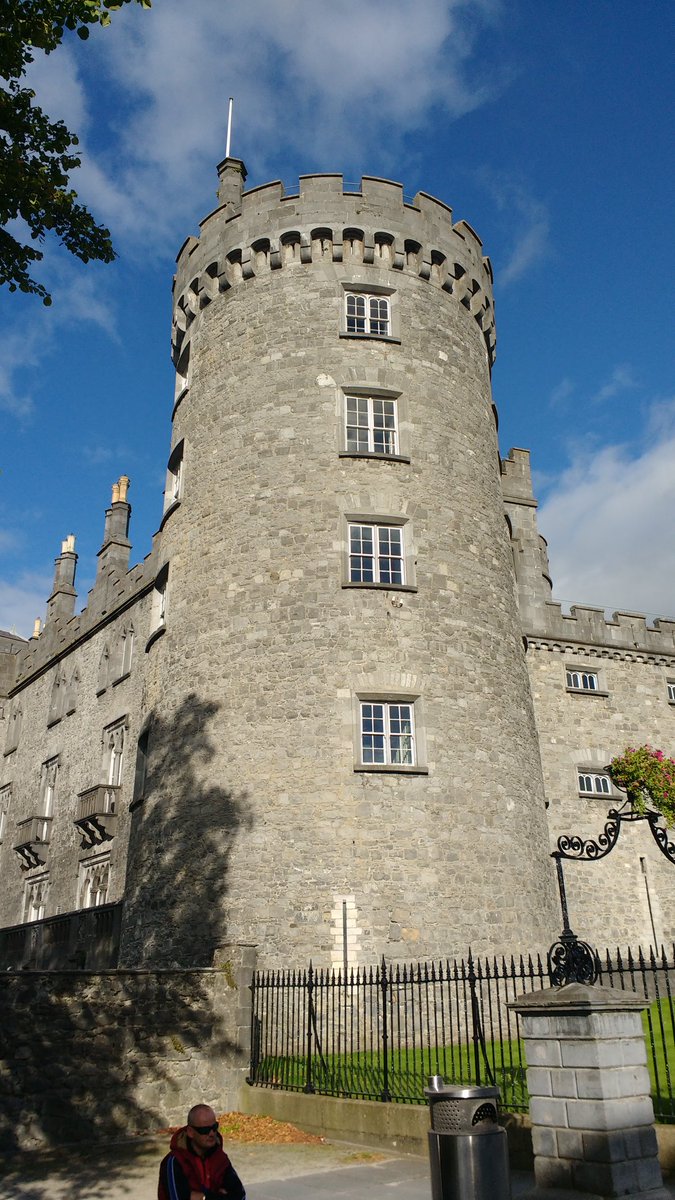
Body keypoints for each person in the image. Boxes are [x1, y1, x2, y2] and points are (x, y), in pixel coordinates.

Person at [158, 1104, 246, 1200]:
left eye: (214, 1127)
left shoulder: (219, 1157)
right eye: (205, 1130)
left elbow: (239, 1195)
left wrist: (202, 1197)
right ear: (191, 1132)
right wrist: (221, 1196)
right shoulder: (174, 1162)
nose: (212, 1133)